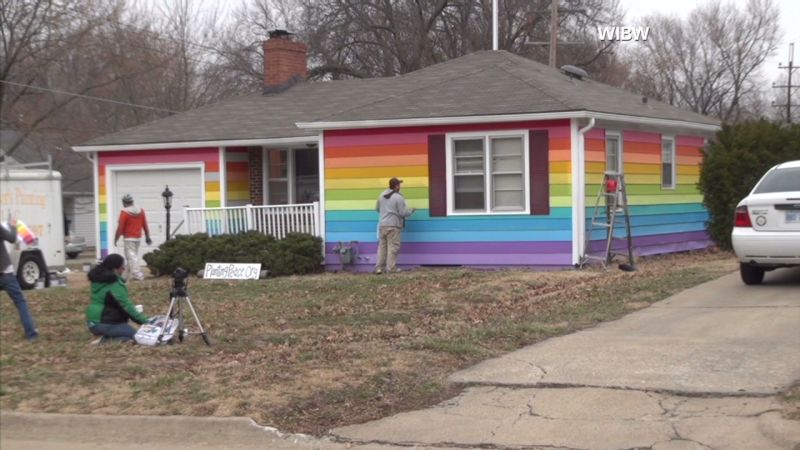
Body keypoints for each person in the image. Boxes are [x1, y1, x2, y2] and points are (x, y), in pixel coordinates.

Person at [86, 254, 151, 343]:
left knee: (128, 332)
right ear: (114, 269)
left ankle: (102, 334)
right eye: (122, 267)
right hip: (105, 322)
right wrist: (147, 322)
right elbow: (127, 306)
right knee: (137, 337)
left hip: (93, 322)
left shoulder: (98, 280)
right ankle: (103, 340)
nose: (123, 269)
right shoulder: (114, 284)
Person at [0, 217, 39, 342]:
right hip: (5, 272)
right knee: (20, 302)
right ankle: (31, 334)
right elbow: (12, 238)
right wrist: (12, 226)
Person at [374, 177, 416, 274]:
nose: (400, 187)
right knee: (393, 247)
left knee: (382, 247)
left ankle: (379, 268)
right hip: (393, 225)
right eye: (399, 185)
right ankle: (391, 268)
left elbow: (377, 209)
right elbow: (402, 213)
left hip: (382, 225)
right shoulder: (398, 197)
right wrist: (411, 211)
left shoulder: (381, 195)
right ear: (396, 186)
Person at [113, 194, 152, 281]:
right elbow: (144, 224)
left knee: (131, 256)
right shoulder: (141, 211)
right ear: (132, 202)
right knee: (130, 257)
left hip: (128, 238)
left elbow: (120, 227)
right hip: (137, 238)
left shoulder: (124, 212)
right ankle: (124, 277)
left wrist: (116, 239)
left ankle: (138, 274)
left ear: (124, 202)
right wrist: (147, 236)